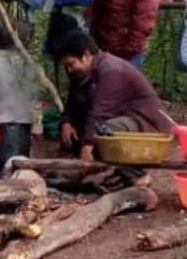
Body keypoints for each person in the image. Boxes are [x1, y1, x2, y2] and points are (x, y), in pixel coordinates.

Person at [54, 30, 173, 185]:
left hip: (146, 123)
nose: (69, 70)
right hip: (124, 120)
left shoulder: (111, 70)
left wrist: (87, 147)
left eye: (71, 64)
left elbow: (99, 112)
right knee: (82, 129)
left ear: (86, 56)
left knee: (104, 130)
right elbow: (73, 102)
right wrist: (66, 122)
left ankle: (137, 176)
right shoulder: (83, 73)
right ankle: (114, 171)